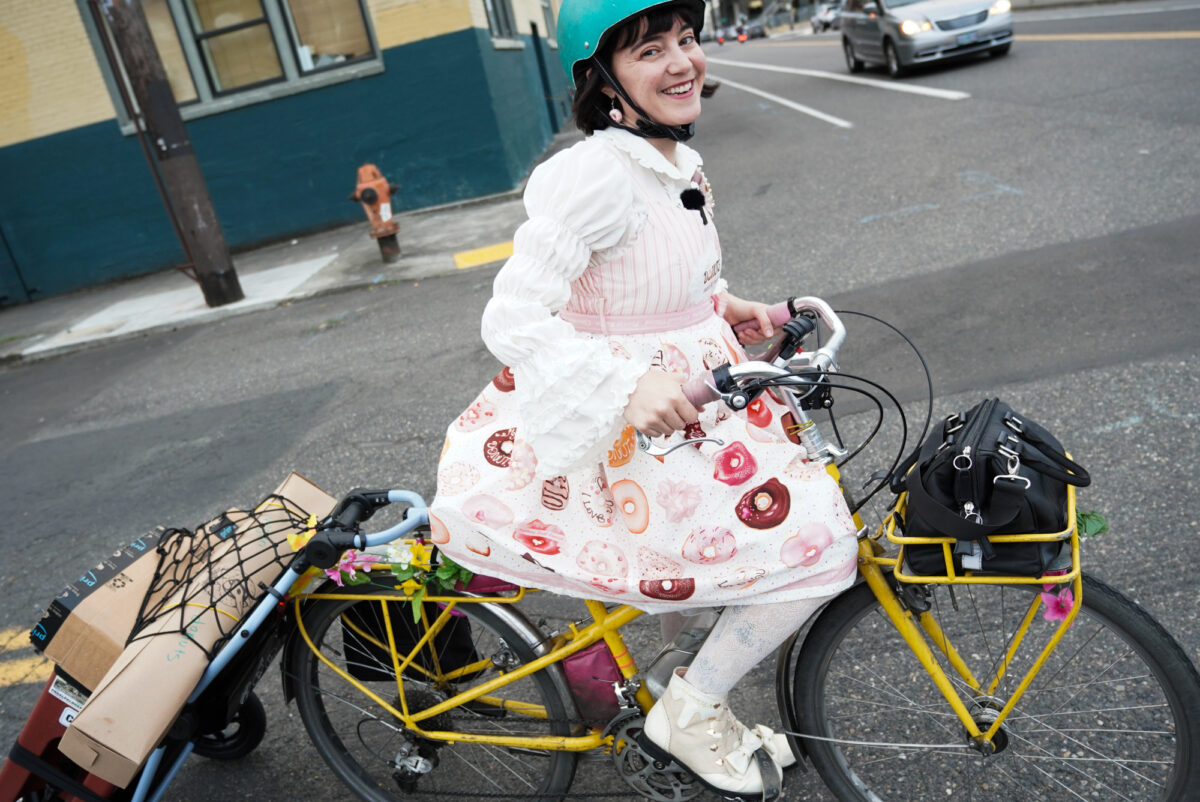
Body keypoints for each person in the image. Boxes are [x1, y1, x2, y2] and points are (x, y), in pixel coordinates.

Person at [428, 1, 858, 797]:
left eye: (685, 41)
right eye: (649, 50)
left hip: (698, 396)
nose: (680, 62)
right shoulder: (593, 174)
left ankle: (676, 695)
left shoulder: (672, 161)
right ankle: (688, 711)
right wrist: (631, 383)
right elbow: (512, 314)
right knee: (817, 551)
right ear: (604, 82)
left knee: (698, 577)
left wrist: (740, 311)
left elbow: (671, 279)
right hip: (632, 418)